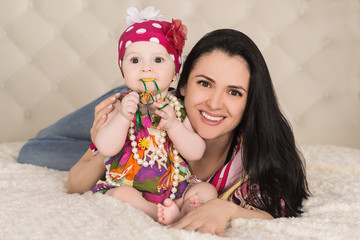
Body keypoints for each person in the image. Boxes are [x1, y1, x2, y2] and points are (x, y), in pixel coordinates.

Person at [19, 27, 310, 235]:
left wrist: (227, 209)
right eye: (205, 83)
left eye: (234, 92)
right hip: (128, 113)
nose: (214, 103)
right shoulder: (143, 115)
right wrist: (104, 145)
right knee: (31, 151)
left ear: (249, 102)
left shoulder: (249, 154)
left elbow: (277, 207)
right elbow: (76, 186)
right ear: (182, 84)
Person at [86, 7, 216, 224]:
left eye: (158, 60)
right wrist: (122, 118)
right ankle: (153, 211)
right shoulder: (120, 105)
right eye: (135, 61)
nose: (146, 69)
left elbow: (196, 152)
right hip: (129, 185)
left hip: (177, 187)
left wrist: (174, 126)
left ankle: (183, 207)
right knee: (120, 196)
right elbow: (106, 147)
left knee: (206, 190)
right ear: (123, 70)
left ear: (175, 72)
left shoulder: (179, 108)